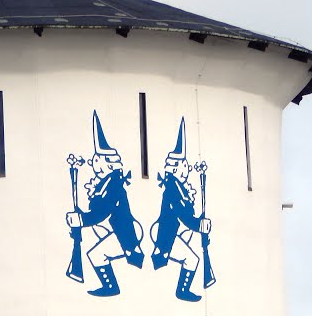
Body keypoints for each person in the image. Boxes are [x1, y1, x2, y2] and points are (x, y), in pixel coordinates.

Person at [65, 111, 144, 297]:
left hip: (124, 235)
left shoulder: (113, 184)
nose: (93, 162)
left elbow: (102, 212)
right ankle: (110, 286)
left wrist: (81, 220)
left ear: (107, 164)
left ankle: (111, 287)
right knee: (96, 254)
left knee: (96, 255)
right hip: (116, 231)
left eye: (97, 159)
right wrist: (80, 218)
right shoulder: (106, 182)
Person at [150, 118, 211, 302]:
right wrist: (199, 225)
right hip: (166, 241)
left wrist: (199, 222)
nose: (187, 168)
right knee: (191, 260)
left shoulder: (177, 187)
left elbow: (186, 214)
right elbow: (183, 216)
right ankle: (182, 291)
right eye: (184, 164)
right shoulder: (173, 189)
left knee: (191, 259)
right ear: (178, 167)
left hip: (171, 235)